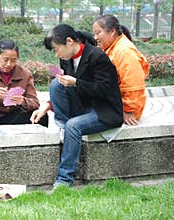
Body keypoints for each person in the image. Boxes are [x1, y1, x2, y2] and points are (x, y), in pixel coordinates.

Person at [30, 24, 123, 187]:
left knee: (73, 126)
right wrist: (46, 106)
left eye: (56, 49)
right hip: (83, 105)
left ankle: (64, 180)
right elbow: (66, 87)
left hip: (104, 110)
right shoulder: (66, 58)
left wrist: (77, 83)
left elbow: (105, 90)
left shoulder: (97, 56)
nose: (56, 53)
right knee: (55, 85)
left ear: (69, 41)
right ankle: (67, 132)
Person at [0, 38, 48, 127]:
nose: (9, 64)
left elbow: (35, 103)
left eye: (13, 60)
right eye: (5, 59)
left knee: (41, 116)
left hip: (16, 116)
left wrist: (23, 101)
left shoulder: (25, 74)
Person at [93, 14, 150, 125]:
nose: (95, 38)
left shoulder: (125, 52)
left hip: (125, 111)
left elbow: (133, 85)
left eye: (98, 33)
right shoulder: (112, 47)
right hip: (113, 103)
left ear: (112, 32)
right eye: (94, 34)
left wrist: (129, 110)